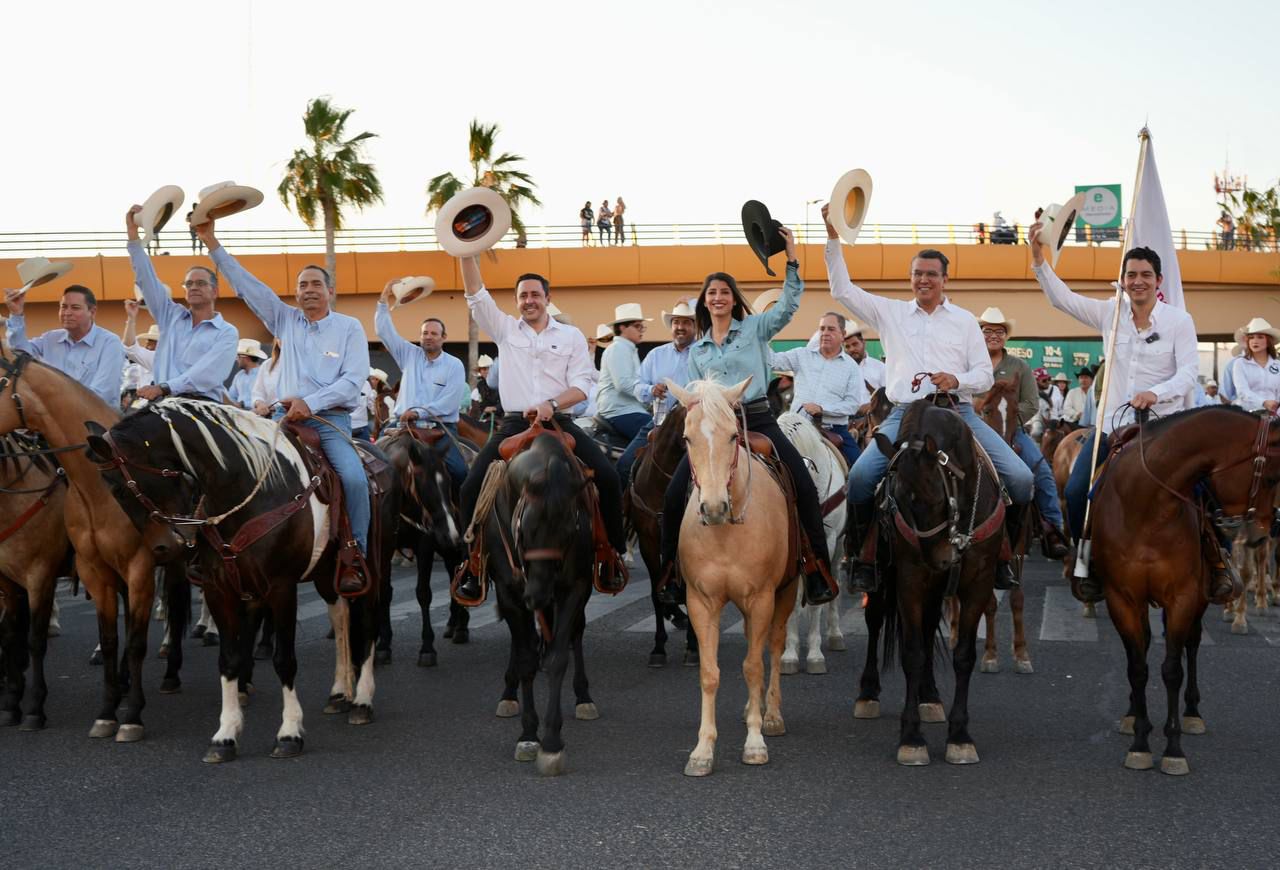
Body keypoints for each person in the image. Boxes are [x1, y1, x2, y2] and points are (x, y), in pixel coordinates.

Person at [822, 203, 1033, 593]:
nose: (924, 280)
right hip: (905, 414)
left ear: (944, 280)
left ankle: (1005, 556)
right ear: (911, 278)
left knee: (1021, 479)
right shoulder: (890, 314)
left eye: (931, 275)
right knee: (861, 478)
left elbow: (984, 375)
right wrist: (833, 239)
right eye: (918, 274)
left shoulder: (966, 321)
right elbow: (842, 289)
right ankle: (861, 558)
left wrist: (957, 379)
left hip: (958, 414)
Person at [1028, 222, 1228, 603]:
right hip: (1114, 428)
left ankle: (1219, 562)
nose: (1138, 281)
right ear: (1122, 280)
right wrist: (1039, 260)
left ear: (1158, 280)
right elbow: (1061, 298)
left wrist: (1157, 392)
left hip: (1165, 428)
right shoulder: (1109, 314)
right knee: (1074, 490)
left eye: (1145, 275)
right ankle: (1086, 563)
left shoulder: (1178, 321)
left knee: (1207, 489)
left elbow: (1188, 372)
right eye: (1131, 275)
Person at [659, 225, 836, 608]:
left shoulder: (756, 328)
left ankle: (816, 568)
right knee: (673, 496)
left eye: (724, 292)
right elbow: (693, 398)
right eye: (712, 293)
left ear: (733, 299)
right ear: (704, 303)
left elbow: (788, 306)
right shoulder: (698, 349)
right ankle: (670, 573)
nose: (718, 298)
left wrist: (791, 259)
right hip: (713, 429)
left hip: (755, 419)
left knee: (802, 483)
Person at [196, 217, 373, 596]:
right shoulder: (284, 319)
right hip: (279, 421)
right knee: (232, 468)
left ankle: (354, 552)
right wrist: (212, 243)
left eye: (315, 284)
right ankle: (212, 550)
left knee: (356, 479)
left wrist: (311, 402)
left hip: (330, 423)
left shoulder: (349, 327)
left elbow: (352, 381)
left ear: (330, 290)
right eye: (302, 285)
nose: (309, 290)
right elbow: (247, 285)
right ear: (295, 293)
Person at [454, 257, 627, 601]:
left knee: (609, 476)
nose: (529, 300)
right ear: (517, 301)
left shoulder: (571, 336)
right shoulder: (504, 328)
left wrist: (552, 404)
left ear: (547, 298)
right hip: (515, 422)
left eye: (535, 294)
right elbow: (475, 294)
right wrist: (465, 251)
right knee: (470, 486)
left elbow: (582, 385)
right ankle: (472, 563)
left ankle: (611, 554)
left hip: (559, 421)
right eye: (523, 296)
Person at [975, 307, 1069, 558]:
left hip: (1012, 432)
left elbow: (1031, 403)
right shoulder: (970, 363)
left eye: (999, 331)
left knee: (1043, 473)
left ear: (1006, 336)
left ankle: (1052, 529)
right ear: (979, 334)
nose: (993, 335)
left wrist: (1007, 419)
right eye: (987, 331)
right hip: (975, 431)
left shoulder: (1020, 366)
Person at [126, 206, 240, 403]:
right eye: (189, 284)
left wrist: (164, 387)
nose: (193, 287)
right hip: (162, 403)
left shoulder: (227, 332)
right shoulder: (170, 316)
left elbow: (206, 374)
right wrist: (133, 237)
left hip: (202, 405)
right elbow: (147, 279)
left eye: (201, 283)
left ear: (215, 291)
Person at [375, 287, 468, 490]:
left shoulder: (454, 365)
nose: (428, 336)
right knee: (372, 466)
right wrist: (383, 300)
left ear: (444, 337)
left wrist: (416, 412)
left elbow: (449, 403)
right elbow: (384, 332)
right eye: (425, 333)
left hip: (439, 430)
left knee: (461, 471)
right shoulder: (409, 354)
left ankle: (460, 517)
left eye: (434, 333)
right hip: (401, 427)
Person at [769, 311, 867, 468]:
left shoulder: (851, 367)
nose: (825, 333)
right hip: (796, 428)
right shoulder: (802, 355)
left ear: (842, 334)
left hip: (834, 430)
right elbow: (772, 361)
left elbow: (852, 404)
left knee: (861, 471)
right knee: (769, 464)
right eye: (822, 329)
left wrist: (823, 409)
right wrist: (759, 337)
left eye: (831, 329)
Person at [4, 283, 127, 408]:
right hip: (57, 422)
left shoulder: (110, 343)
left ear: (92, 312)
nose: (67, 313)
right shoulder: (50, 338)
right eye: (63, 307)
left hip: (97, 423)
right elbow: (19, 352)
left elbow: (101, 394)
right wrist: (16, 314)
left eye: (75, 307)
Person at [616, 300, 694, 489]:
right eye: (676, 322)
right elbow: (636, 385)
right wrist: (650, 390)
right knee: (624, 465)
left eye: (686, 322)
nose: (680, 327)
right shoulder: (656, 355)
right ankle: (626, 515)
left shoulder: (703, 353)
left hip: (693, 428)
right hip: (660, 422)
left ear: (695, 325)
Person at [596, 302, 653, 444]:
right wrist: (651, 392)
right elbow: (623, 384)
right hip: (621, 411)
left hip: (626, 409)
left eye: (642, 326)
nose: (641, 330)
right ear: (622, 327)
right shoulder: (619, 349)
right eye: (637, 326)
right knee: (660, 438)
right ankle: (625, 467)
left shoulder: (626, 349)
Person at [1232, 318, 1280, 414]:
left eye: (1260, 337)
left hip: (1274, 415)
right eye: (1251, 337)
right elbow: (1242, 391)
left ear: (1268, 341)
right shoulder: (1240, 364)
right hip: (1246, 415)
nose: (1255, 341)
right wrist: (1264, 402)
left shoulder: (1278, 365)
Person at [843, 321, 886, 393]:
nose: (852, 349)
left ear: (863, 343)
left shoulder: (880, 367)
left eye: (855, 344)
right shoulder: (840, 369)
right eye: (847, 346)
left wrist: (872, 390)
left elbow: (887, 397)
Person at [229, 339, 267, 408]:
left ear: (247, 358)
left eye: (238, 356)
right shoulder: (238, 376)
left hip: (259, 416)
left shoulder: (263, 374)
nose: (237, 359)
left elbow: (267, 399)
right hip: (239, 414)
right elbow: (232, 397)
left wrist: (243, 405)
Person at [252, 338, 284, 416]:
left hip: (292, 416)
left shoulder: (304, 365)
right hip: (269, 415)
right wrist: (260, 403)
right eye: (280, 337)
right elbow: (258, 392)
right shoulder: (267, 365)